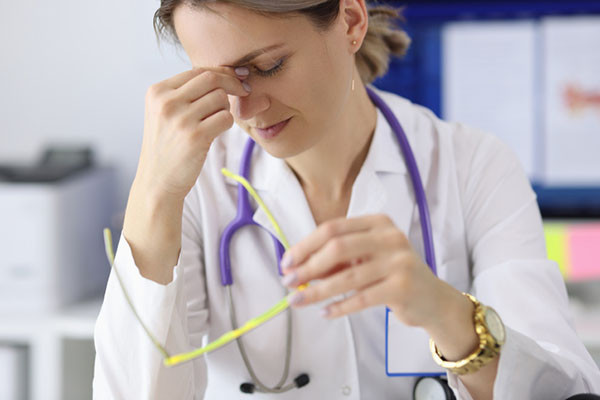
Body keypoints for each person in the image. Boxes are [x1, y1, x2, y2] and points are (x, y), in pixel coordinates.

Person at [92, 0, 600, 399]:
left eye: (267, 67)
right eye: (219, 81)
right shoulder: (196, 185)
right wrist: (154, 191)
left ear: (351, 21)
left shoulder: (473, 166)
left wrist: (442, 310)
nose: (245, 109)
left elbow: (565, 391)